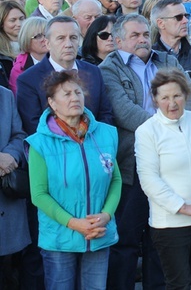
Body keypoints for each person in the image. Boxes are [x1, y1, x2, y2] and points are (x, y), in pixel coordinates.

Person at [100, 14, 191, 290]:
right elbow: (124, 112)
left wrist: (171, 128)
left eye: (145, 34)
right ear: (118, 40)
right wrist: (168, 128)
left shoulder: (166, 60)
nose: (143, 39)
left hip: (171, 161)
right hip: (132, 163)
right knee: (127, 239)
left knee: (162, 238)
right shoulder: (109, 68)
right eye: (134, 35)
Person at [27, 70, 121, 290]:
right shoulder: (40, 143)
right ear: (52, 103)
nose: (74, 98)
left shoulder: (106, 134)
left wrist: (105, 216)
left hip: (99, 233)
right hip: (60, 238)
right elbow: (39, 194)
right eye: (66, 94)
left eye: (78, 92)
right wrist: (74, 223)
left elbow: (115, 179)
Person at [135, 68, 191, 290]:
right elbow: (149, 180)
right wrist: (184, 207)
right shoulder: (147, 131)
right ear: (155, 100)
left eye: (177, 96)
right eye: (165, 97)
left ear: (186, 95)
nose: (172, 103)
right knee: (179, 285)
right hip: (170, 224)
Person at [17, 16, 114, 135]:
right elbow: (34, 127)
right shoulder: (28, 80)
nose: (68, 44)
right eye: (61, 38)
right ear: (47, 43)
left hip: (96, 146)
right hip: (54, 149)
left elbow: (105, 114)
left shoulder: (94, 72)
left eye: (73, 38)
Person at [0, 85, 31, 287]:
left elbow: (19, 135)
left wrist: (10, 154)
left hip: (5, 205)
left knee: (7, 274)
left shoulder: (5, 95)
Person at [151, 0, 191, 86]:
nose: (185, 21)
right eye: (178, 17)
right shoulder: (151, 56)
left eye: (186, 16)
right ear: (161, 23)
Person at [8, 16, 47, 93]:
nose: (44, 39)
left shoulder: (61, 59)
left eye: (47, 35)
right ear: (27, 40)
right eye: (38, 36)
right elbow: (20, 100)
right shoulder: (19, 69)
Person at [0, 1, 25, 76]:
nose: (19, 24)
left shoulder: (34, 44)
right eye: (12, 20)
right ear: (2, 24)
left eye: (21, 19)